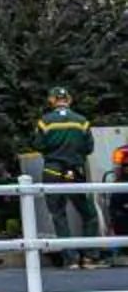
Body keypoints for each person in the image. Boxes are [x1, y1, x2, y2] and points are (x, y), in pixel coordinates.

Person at [35, 87, 98, 263]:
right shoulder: (82, 121)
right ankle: (90, 256)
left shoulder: (45, 122)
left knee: (59, 214)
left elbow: (38, 145)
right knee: (88, 213)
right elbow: (89, 148)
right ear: (68, 100)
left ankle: (70, 258)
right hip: (75, 171)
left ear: (52, 100)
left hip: (52, 171)